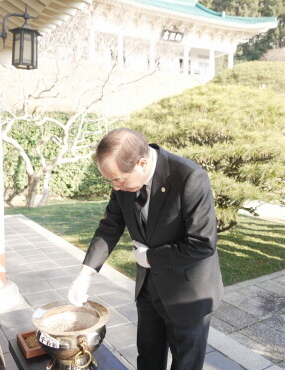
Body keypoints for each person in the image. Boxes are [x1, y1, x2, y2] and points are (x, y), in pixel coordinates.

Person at [68, 128, 223, 370]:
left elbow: (202, 243)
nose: (115, 187)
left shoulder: (190, 177)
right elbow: (111, 225)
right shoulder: (123, 182)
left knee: (186, 364)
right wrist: (86, 273)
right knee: (148, 358)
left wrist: (150, 257)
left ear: (142, 163)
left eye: (118, 179)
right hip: (149, 289)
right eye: (111, 181)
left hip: (188, 293)